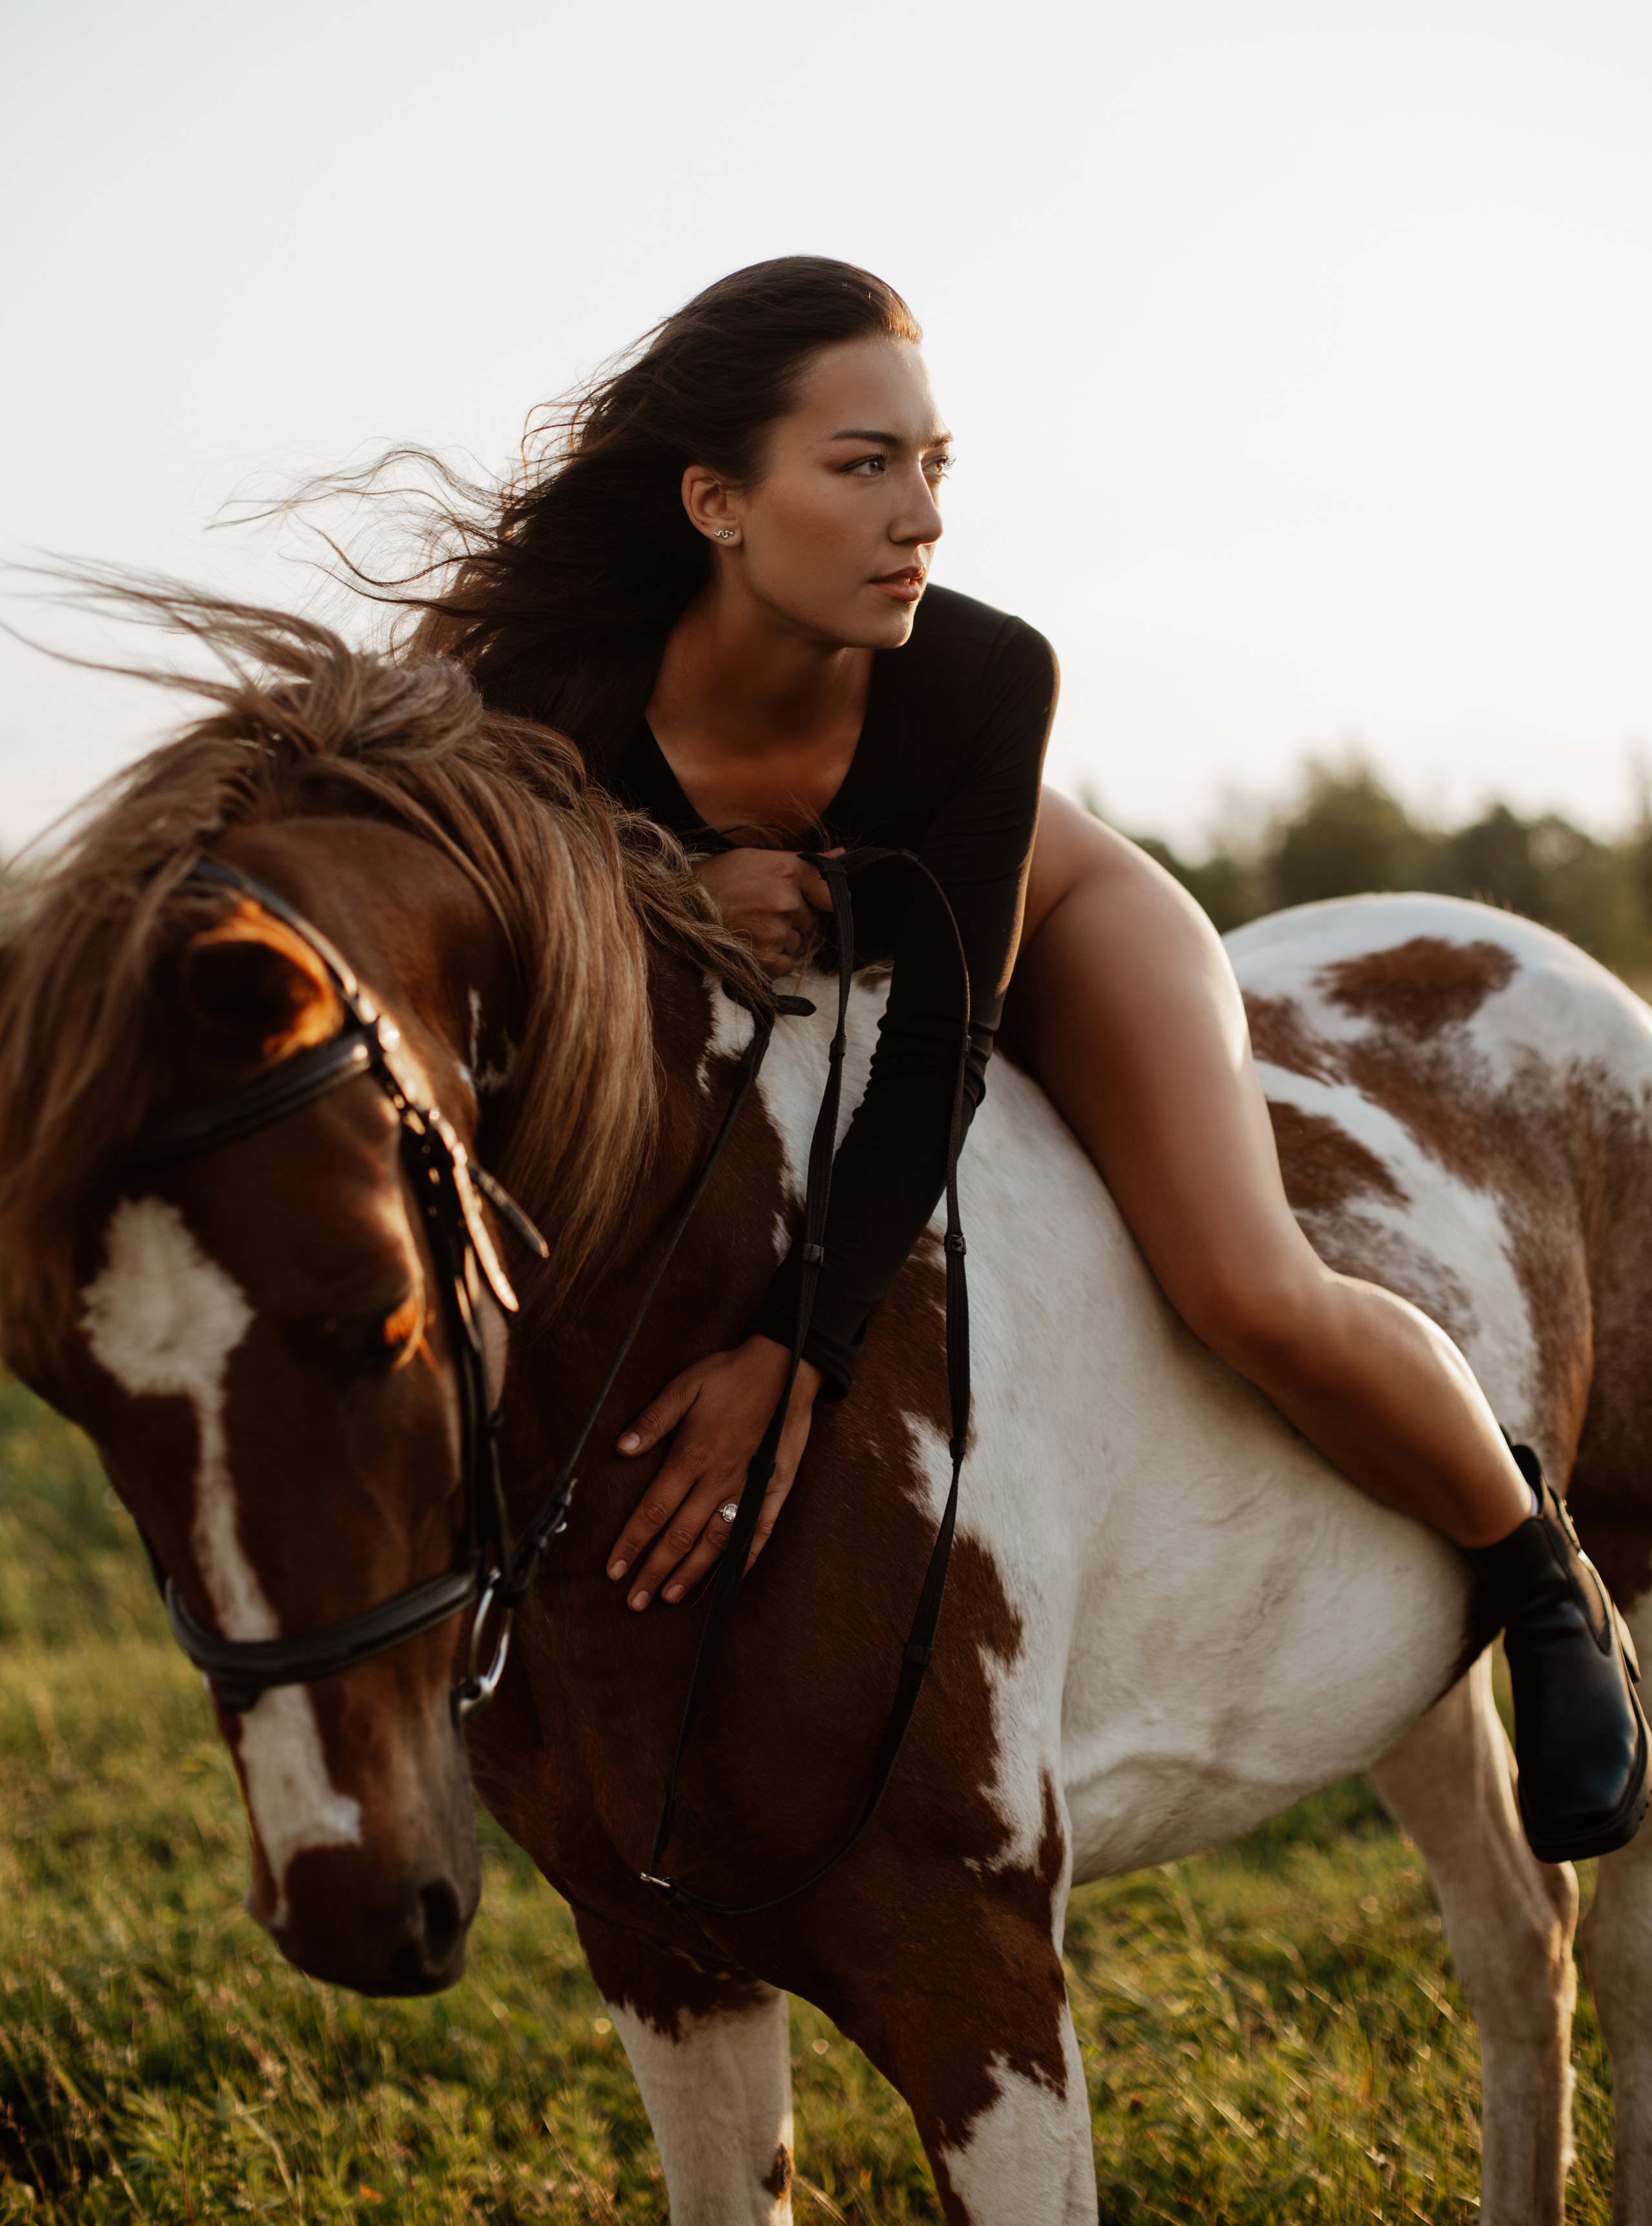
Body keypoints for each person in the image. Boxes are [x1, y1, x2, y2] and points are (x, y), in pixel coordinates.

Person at [414, 254, 1645, 1866]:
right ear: (715, 501)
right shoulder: (539, 693)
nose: (918, 515)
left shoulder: (988, 673)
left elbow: (936, 1046)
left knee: (1245, 1285)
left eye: (932, 466)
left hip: (1047, 931)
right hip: (769, 954)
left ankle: (1537, 1579)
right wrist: (649, 894)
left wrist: (800, 1350)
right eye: (862, 467)